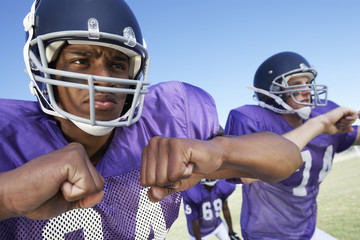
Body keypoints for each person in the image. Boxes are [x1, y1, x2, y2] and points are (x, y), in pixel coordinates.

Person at [0, 1, 307, 239]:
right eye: (81, 61)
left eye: (118, 63)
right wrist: (7, 197)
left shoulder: (172, 119)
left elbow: (287, 159)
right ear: (42, 68)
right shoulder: (8, 136)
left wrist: (220, 151)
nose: (104, 79)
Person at [224, 51, 360, 240]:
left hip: (306, 229)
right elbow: (249, 173)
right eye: (296, 84)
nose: (307, 90)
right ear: (271, 93)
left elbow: (354, 134)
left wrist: (345, 123)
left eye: (308, 83)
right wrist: (318, 125)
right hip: (266, 234)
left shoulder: (323, 113)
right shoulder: (252, 119)